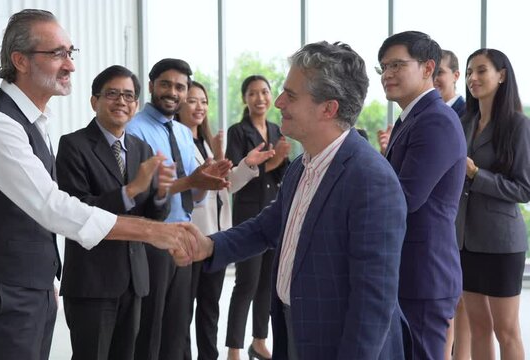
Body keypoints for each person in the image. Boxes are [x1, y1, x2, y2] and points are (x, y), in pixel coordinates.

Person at [0, 10, 196, 360]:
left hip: (32, 284)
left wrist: (43, 279)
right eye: (56, 54)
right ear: (20, 60)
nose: (69, 65)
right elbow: (54, 207)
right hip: (9, 289)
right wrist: (149, 232)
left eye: (71, 53)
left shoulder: (33, 121)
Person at [177, 41, 411, 360]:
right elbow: (266, 228)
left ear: (328, 108)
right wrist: (209, 246)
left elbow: (374, 302)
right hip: (295, 330)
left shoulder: (371, 179)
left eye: (291, 95)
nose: (278, 102)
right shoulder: (302, 165)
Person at [55, 65, 174, 359]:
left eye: (128, 96)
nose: (121, 101)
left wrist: (160, 193)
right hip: (92, 282)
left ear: (135, 106)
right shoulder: (73, 146)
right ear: (94, 101)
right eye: (112, 94)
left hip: (134, 280)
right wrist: (131, 190)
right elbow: (77, 212)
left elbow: (152, 218)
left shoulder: (141, 149)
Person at [127, 58, 232, 360]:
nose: (173, 92)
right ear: (151, 86)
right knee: (150, 330)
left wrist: (207, 182)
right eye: (166, 84)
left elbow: (194, 195)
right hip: (151, 240)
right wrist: (191, 182)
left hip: (182, 238)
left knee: (176, 328)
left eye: (180, 87)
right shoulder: (135, 130)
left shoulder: (184, 133)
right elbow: (141, 192)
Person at [377, 31, 466, 360]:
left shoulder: (435, 121)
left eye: (397, 65)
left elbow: (405, 196)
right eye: (383, 67)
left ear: (428, 67)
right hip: (408, 269)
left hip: (424, 272)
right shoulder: (411, 118)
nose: (387, 74)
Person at [176, 81, 275, 360]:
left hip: (216, 238)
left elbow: (224, 185)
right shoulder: (176, 140)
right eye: (193, 100)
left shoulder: (207, 143)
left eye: (204, 101)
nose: (199, 107)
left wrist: (248, 164)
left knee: (209, 309)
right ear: (181, 103)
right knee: (183, 311)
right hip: (190, 236)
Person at [456, 48, 530, 360]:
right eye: (470, 71)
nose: (473, 78)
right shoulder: (464, 122)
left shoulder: (517, 125)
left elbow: (523, 189)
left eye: (481, 70)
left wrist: (476, 174)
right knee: (478, 326)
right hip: (465, 240)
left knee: (506, 330)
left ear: (501, 75)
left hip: (501, 242)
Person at [224, 75, 290, 360]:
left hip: (274, 210)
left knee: (268, 282)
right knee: (246, 282)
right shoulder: (238, 132)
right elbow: (239, 175)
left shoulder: (277, 130)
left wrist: (281, 161)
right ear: (245, 99)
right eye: (253, 93)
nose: (260, 98)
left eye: (264, 92)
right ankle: (234, 348)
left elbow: (283, 175)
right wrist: (275, 160)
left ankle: (260, 340)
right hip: (249, 213)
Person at [435, 49, 470, 360]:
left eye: (440, 74)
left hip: (463, 222)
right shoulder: (438, 114)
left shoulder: (460, 115)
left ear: (455, 76)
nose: (435, 81)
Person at [435, 49, 466, 118]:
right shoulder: (428, 111)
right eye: (431, 73)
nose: (433, 79)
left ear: (456, 76)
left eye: (439, 72)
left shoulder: (467, 114)